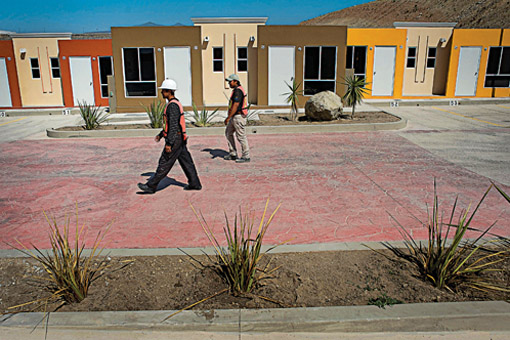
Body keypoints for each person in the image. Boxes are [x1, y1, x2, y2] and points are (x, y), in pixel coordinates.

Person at [138, 79, 202, 194]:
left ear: (168, 91)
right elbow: (171, 125)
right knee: (187, 162)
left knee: (164, 162)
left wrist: (169, 143)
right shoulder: (175, 103)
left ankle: (151, 186)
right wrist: (161, 134)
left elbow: (173, 126)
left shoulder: (172, 106)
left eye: (163, 90)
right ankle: (195, 183)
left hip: (175, 140)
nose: (162, 93)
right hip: (180, 139)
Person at [224, 74, 250, 163]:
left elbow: (235, 105)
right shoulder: (236, 90)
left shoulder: (238, 91)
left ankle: (246, 156)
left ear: (235, 81)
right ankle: (233, 153)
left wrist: (228, 117)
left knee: (241, 136)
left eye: (230, 81)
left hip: (238, 117)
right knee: (228, 133)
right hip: (234, 117)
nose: (229, 83)